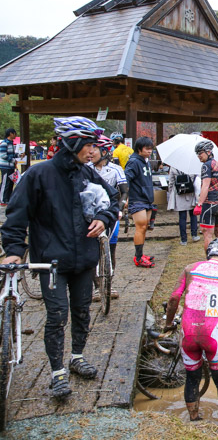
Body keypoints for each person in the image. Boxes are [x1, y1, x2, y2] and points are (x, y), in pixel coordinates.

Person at [1, 116, 119, 399]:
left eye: (95, 146)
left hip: (84, 259)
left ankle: (77, 357)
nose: (94, 151)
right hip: (51, 262)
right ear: (71, 143)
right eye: (88, 145)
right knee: (56, 315)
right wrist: (14, 252)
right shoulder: (38, 175)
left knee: (81, 311)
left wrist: (104, 218)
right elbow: (16, 217)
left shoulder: (87, 173)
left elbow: (112, 199)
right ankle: (57, 373)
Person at [164, 239, 218, 421]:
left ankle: (194, 419)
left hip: (188, 332)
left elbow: (173, 299)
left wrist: (169, 324)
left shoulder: (190, 268)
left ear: (208, 255)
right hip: (213, 334)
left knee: (192, 378)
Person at [89, 135, 127, 300]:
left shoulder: (116, 169)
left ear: (104, 151)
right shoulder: (87, 168)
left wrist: (120, 207)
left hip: (111, 212)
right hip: (90, 213)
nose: (91, 152)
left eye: (95, 149)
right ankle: (97, 287)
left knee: (111, 249)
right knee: (91, 251)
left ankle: (109, 284)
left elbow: (124, 190)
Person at [125, 137, 159, 268]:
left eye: (151, 148)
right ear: (139, 149)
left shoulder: (146, 162)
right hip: (137, 199)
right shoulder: (133, 162)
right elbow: (126, 179)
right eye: (147, 149)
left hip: (147, 199)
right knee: (140, 227)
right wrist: (126, 197)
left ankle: (140, 254)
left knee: (145, 228)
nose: (150, 151)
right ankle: (138, 258)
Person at [168, 166, 200, 246]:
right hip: (190, 192)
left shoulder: (174, 167)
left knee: (182, 217)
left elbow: (171, 181)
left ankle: (183, 239)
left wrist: (171, 191)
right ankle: (194, 235)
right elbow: (196, 179)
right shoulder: (191, 166)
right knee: (193, 215)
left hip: (179, 193)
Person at [0, 128, 19, 205]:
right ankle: (2, 200)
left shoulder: (11, 143)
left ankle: (8, 199)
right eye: (15, 133)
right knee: (5, 183)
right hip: (5, 167)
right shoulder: (4, 143)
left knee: (10, 183)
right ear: (11, 134)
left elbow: (12, 154)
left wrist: (19, 155)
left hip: (11, 167)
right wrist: (13, 160)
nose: (15, 135)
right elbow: (3, 155)